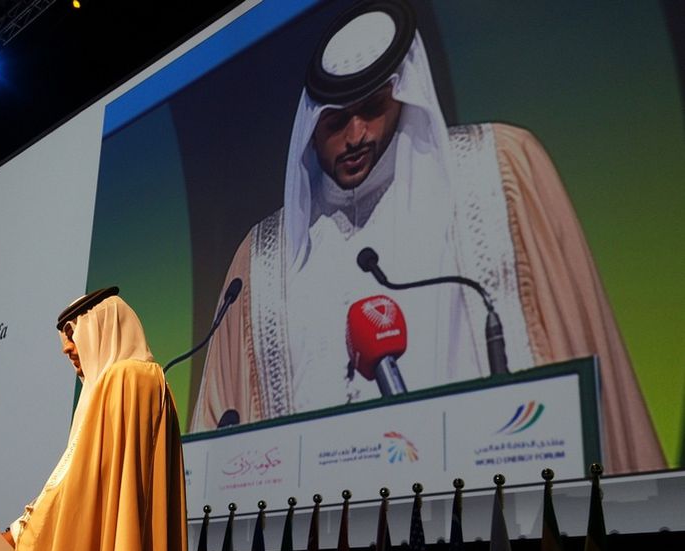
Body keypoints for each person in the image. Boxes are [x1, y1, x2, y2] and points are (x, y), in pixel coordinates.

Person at [190, 0, 665, 474]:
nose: (355, 135)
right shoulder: (263, 261)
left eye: (372, 108)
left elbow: (578, 354)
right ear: (311, 127)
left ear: (404, 96)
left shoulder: (497, 175)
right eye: (336, 121)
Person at [1, 287, 190, 551]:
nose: (70, 354)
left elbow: (83, 483)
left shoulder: (127, 380)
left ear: (101, 329)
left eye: (74, 340)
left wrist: (21, 536)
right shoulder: (142, 385)